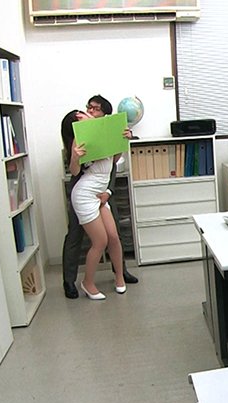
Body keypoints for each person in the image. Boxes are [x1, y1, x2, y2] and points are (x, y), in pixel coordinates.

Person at [62, 95, 138, 299]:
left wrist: (122, 140)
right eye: (88, 108)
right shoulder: (83, 135)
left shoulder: (105, 133)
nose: (89, 112)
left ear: (104, 114)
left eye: (95, 109)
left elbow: (112, 162)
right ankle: (79, 282)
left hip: (100, 193)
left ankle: (120, 276)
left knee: (113, 236)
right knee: (93, 239)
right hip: (85, 193)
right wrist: (75, 157)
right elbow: (74, 170)